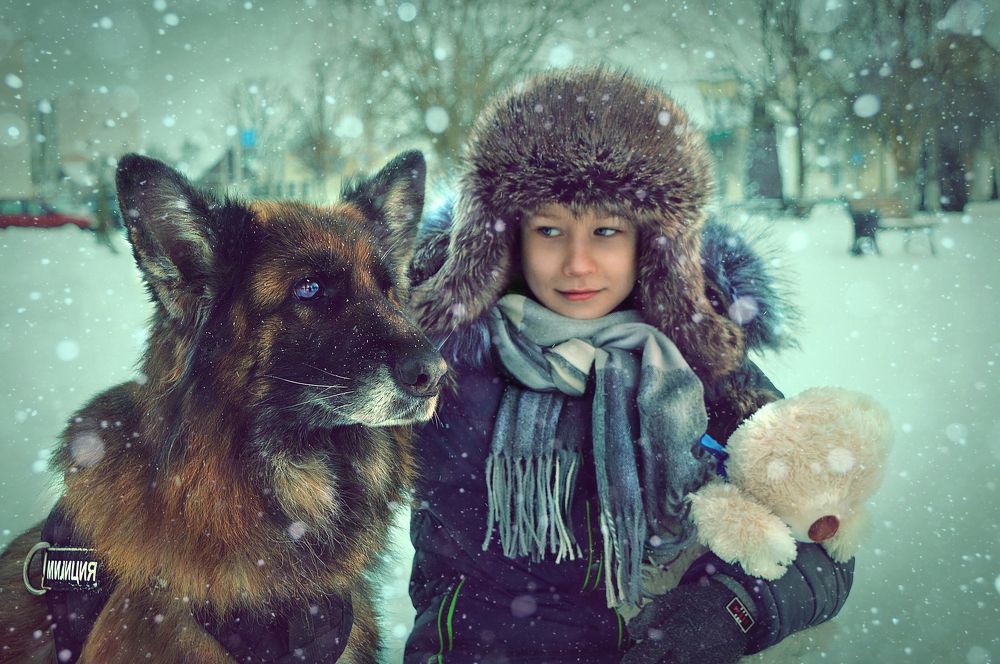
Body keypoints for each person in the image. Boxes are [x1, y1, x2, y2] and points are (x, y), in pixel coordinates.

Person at [404, 68, 853, 664]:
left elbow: (824, 535)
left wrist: (731, 609)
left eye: (606, 231)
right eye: (550, 230)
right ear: (506, 239)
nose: (578, 263)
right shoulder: (437, 365)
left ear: (653, 243)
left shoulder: (707, 374)